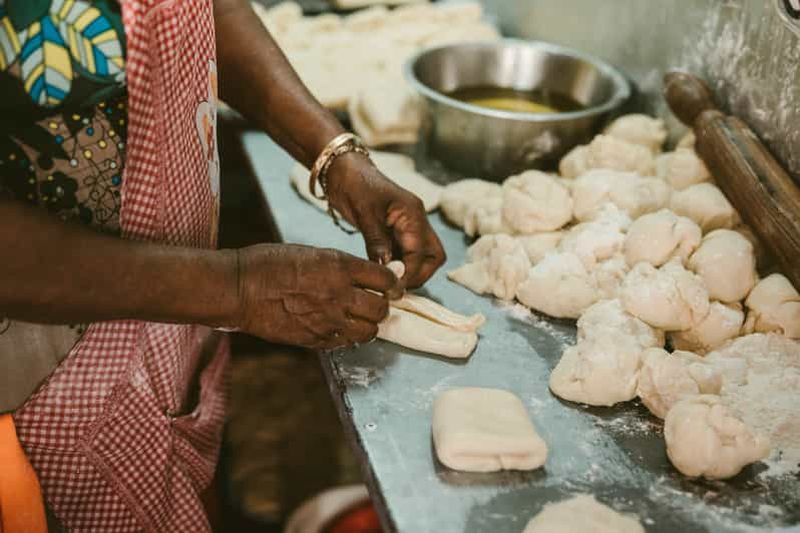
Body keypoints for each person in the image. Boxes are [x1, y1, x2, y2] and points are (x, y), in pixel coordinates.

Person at [0, 0, 446, 531]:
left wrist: (335, 155)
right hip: (27, 398)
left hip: (166, 342)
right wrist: (236, 287)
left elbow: (202, 10)